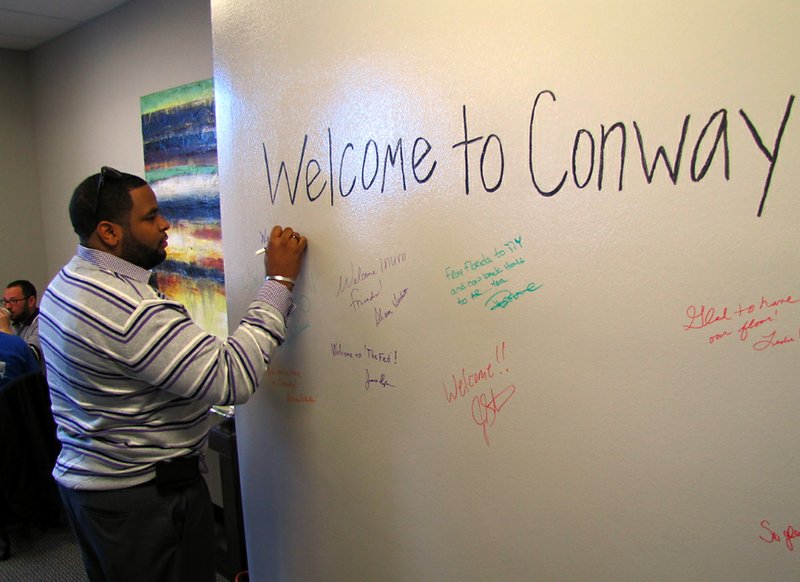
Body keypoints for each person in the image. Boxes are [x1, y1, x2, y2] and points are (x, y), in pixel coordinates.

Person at [39, 166, 308, 582]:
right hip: (142, 503)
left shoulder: (67, 282)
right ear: (109, 233)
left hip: (94, 489)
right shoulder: (129, 309)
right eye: (149, 217)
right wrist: (278, 281)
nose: (165, 223)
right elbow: (230, 378)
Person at [1, 280, 43, 366]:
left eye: (14, 301)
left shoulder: (42, 324)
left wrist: (5, 331)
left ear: (31, 301)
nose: (8, 306)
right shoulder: (16, 323)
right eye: (5, 301)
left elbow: (29, 358)